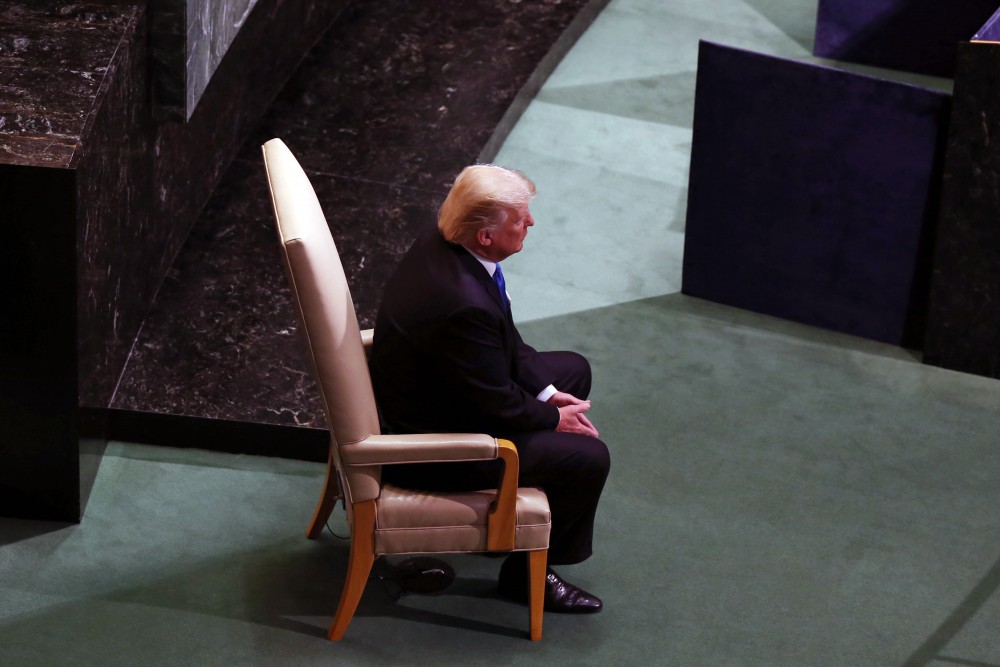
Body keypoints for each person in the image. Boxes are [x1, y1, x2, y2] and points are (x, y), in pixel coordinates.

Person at [370, 164, 610, 613]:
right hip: (438, 449)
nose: (531, 224)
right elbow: (496, 401)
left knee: (570, 372)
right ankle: (526, 576)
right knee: (588, 457)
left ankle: (513, 526)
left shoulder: (443, 242)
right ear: (485, 235)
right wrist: (555, 419)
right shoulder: (464, 304)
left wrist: (547, 396)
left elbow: (505, 339)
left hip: (441, 393)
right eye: (520, 218)